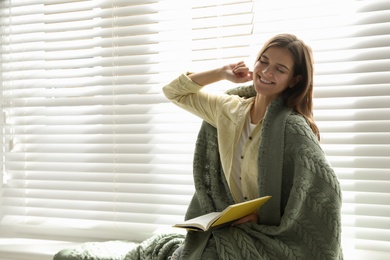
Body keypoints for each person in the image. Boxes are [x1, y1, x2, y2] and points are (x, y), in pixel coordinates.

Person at [126, 33, 343, 260]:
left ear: (294, 80)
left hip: (272, 233)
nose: (267, 72)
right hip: (228, 225)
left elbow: (324, 191)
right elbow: (174, 91)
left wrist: (262, 216)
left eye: (280, 69)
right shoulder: (228, 109)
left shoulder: (293, 127)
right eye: (264, 61)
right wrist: (221, 73)